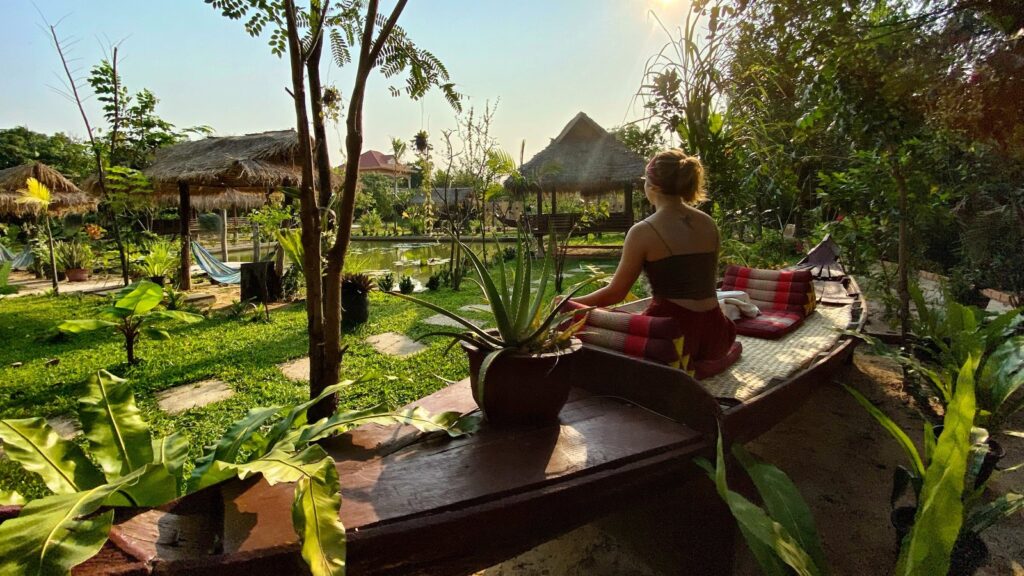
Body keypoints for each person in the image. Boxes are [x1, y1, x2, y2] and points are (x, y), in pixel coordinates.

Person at [572, 148, 737, 367]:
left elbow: (615, 294)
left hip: (672, 341)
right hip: (717, 337)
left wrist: (568, 304)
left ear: (653, 186)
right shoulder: (708, 223)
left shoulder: (643, 231)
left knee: (591, 327)